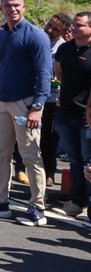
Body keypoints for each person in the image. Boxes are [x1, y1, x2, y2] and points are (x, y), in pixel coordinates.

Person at [0, 0, 53, 226]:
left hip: (25, 103)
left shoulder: (36, 36)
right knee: (1, 152)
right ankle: (0, 201)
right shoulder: (4, 35)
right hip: (2, 101)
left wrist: (37, 107)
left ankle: (37, 207)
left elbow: (44, 74)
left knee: (30, 155)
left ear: (25, 7)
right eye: (7, 5)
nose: (12, 9)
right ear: (1, 9)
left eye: (17, 5)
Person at [51, 12, 91, 218]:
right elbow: (59, 74)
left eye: (79, 25)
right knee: (74, 161)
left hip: (88, 118)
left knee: (89, 162)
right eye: (73, 24)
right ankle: (77, 202)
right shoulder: (64, 49)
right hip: (65, 113)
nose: (73, 28)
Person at [41, 13, 71, 187]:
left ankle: (49, 172)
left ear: (64, 32)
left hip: (53, 100)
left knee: (49, 139)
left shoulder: (64, 48)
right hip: (33, 96)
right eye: (49, 25)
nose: (49, 30)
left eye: (55, 29)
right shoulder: (38, 41)